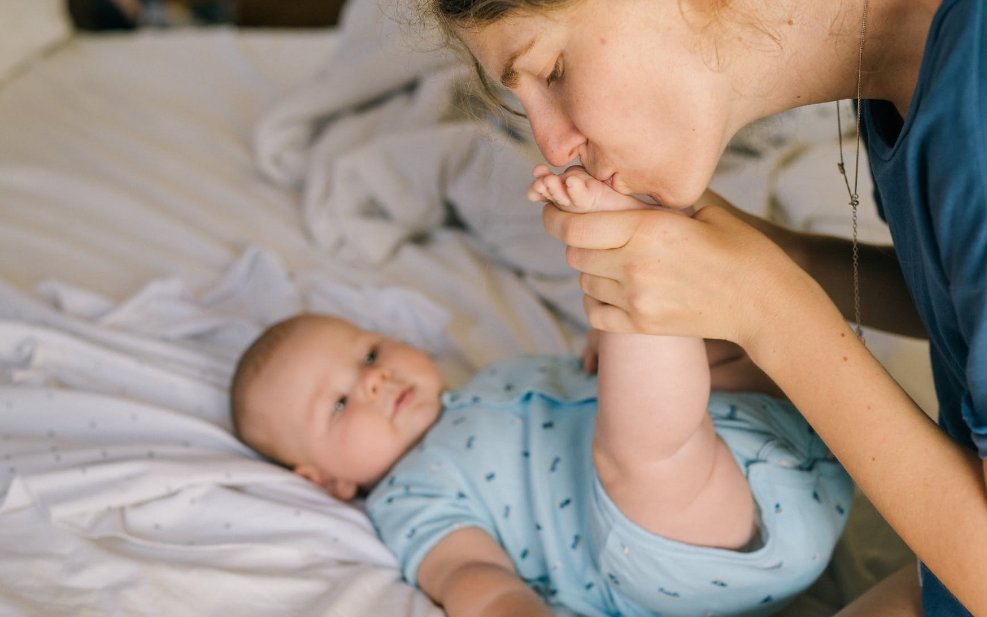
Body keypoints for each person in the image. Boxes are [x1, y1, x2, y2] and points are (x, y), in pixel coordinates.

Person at [426, 0, 986, 615]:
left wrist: (768, 309)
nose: (554, 144)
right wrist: (770, 252)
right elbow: (956, 292)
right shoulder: (907, 71)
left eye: (553, 69)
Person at [230, 310, 853, 617]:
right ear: (328, 480)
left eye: (368, 352)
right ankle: (641, 305)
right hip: (695, 538)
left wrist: (603, 355)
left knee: (695, 345)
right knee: (644, 444)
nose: (374, 380)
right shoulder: (407, 497)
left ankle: (668, 326)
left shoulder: (485, 380)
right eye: (339, 403)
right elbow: (473, 577)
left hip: (784, 436)